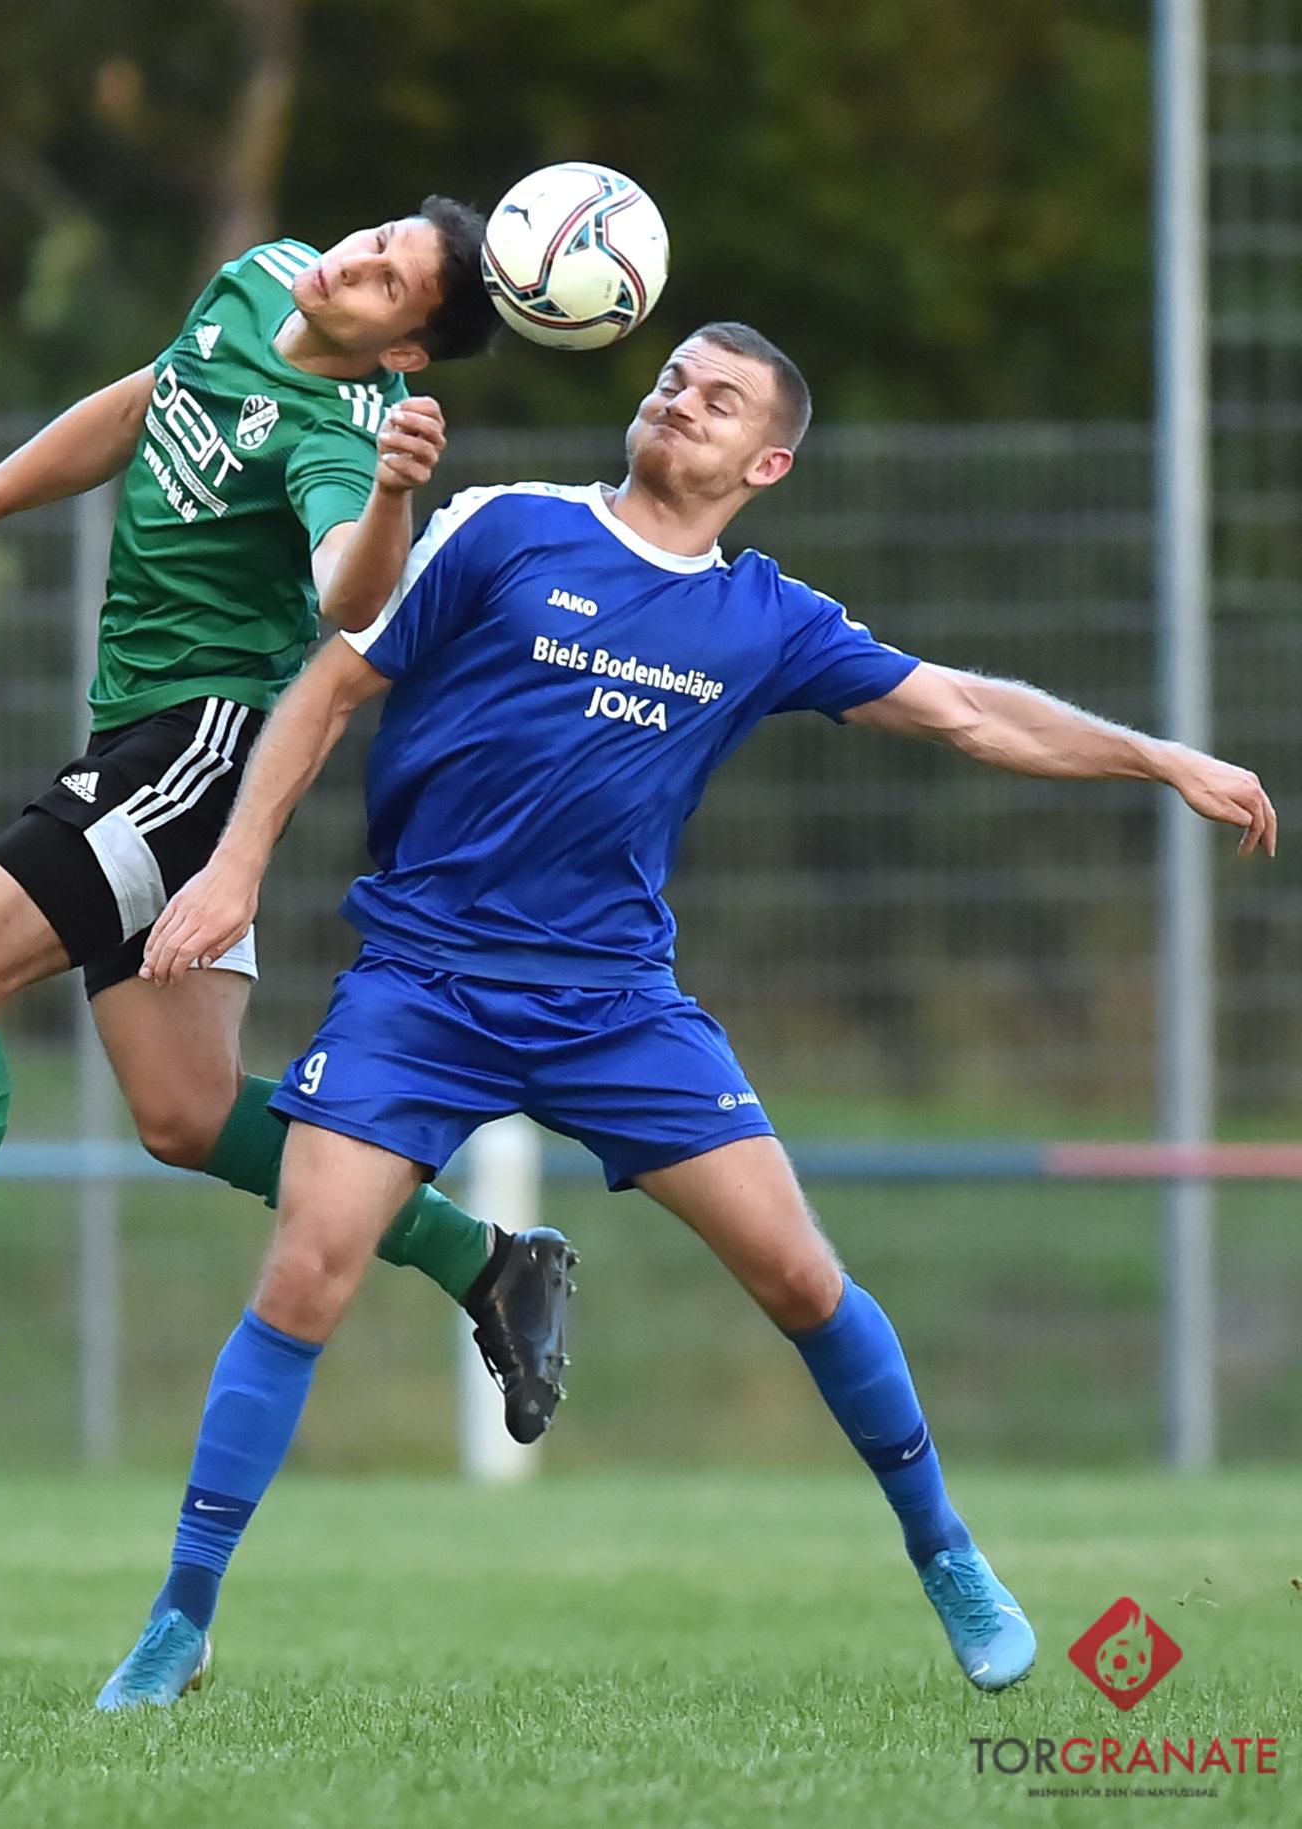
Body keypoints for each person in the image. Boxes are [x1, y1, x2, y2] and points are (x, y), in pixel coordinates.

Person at [90, 319, 1277, 1709]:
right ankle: (179, 1617)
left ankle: (949, 1556)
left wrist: (1155, 756)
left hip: (614, 1005)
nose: (680, 400)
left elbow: (965, 711)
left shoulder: (768, 619)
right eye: (672, 380)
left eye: (719, 399)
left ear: (766, 462)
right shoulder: (507, 530)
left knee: (800, 1277)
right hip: (422, 982)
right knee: (304, 1272)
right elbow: (330, 685)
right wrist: (235, 866)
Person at [0, 201, 577, 1454]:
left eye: (388, 284)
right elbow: (146, 402)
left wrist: (390, 493)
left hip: (198, 750)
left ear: (403, 352)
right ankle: (489, 1260)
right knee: (188, 1114)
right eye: (377, 240)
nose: (356, 261)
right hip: (140, 738)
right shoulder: (259, 277)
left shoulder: (343, 434)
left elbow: (350, 592)